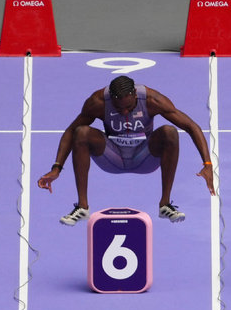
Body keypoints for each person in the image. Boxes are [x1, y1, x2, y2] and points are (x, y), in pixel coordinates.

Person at [37, 75, 215, 225]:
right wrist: (57, 167)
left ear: (136, 95)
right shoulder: (97, 102)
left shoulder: (153, 100)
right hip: (112, 156)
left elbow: (192, 126)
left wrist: (207, 163)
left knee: (170, 132)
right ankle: (82, 207)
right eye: (118, 108)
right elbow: (70, 131)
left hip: (144, 156)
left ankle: (165, 204)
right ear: (111, 99)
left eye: (129, 108)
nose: (124, 112)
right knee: (81, 132)